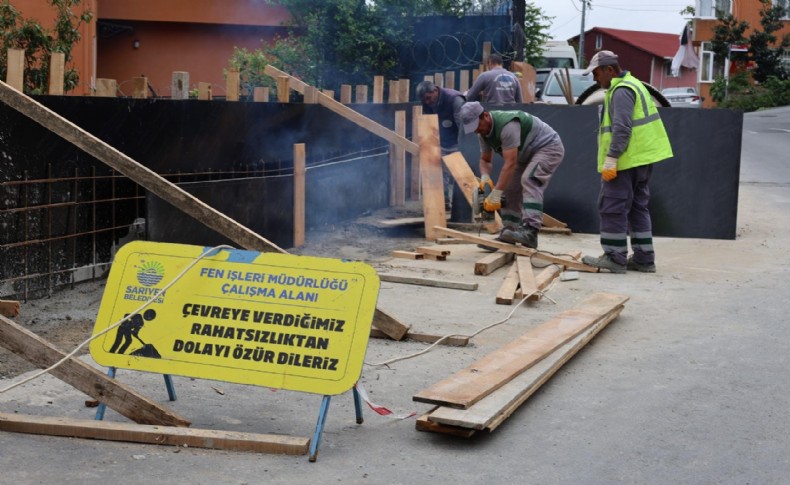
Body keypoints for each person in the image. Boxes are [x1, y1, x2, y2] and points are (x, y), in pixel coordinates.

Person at [580, 50, 673, 273]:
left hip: (625, 161)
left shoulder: (621, 91)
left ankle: (614, 256)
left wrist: (612, 158)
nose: (595, 79)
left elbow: (622, 128)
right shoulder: (634, 84)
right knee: (638, 208)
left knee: (612, 206)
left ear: (609, 70)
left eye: (596, 73)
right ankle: (644, 259)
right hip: (640, 159)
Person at [459, 101, 565, 249]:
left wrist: (495, 193)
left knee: (529, 180)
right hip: (525, 154)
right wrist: (485, 178)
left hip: (548, 147)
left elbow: (510, 163)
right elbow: (485, 160)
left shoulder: (507, 125)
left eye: (477, 125)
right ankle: (509, 233)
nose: (476, 130)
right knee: (509, 188)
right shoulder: (483, 134)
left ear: (485, 116)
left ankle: (530, 232)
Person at [416, 80, 466, 210]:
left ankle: (460, 207)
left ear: (435, 91)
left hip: (457, 142)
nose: (427, 102)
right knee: (437, 171)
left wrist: (463, 147)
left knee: (460, 174)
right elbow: (428, 123)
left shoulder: (454, 99)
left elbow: (462, 126)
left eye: (428, 98)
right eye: (424, 100)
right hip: (440, 141)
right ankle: (443, 202)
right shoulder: (426, 102)